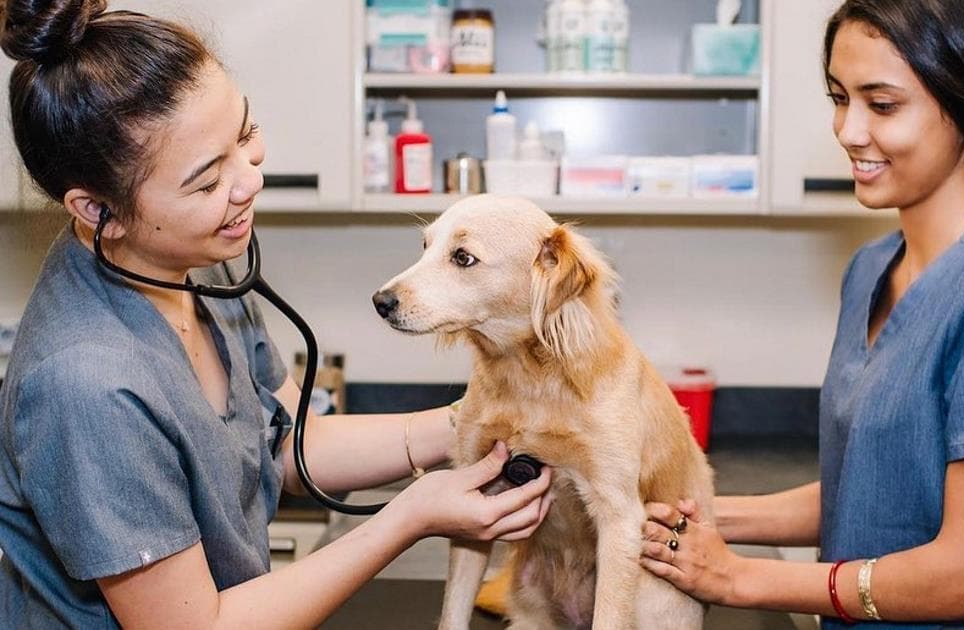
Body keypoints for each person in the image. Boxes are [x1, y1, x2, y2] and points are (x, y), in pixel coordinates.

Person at [0, 1, 551, 627]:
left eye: (244, 133)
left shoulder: (199, 261)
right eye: (207, 182)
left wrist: (483, 420)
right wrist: (412, 516)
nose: (249, 180)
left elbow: (290, 444)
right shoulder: (85, 385)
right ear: (99, 212)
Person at [641, 0, 964, 627]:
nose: (848, 131)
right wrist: (695, 515)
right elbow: (871, 494)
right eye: (839, 97)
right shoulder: (872, 268)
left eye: (881, 105)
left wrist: (740, 577)